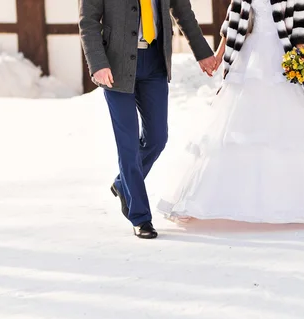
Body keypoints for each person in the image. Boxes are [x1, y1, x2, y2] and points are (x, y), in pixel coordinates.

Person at [157, 0, 304, 226]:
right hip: (249, 57)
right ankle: (235, 202)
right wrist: (219, 56)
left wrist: (301, 58)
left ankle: (300, 202)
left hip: (286, 54)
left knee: (295, 130)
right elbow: (235, 16)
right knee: (239, 130)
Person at [79, 0, 217, 239]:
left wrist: (202, 52)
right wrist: (98, 64)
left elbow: (182, 11)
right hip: (116, 65)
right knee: (128, 145)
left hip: (154, 62)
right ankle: (140, 216)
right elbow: (88, 22)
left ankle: (124, 184)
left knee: (157, 138)